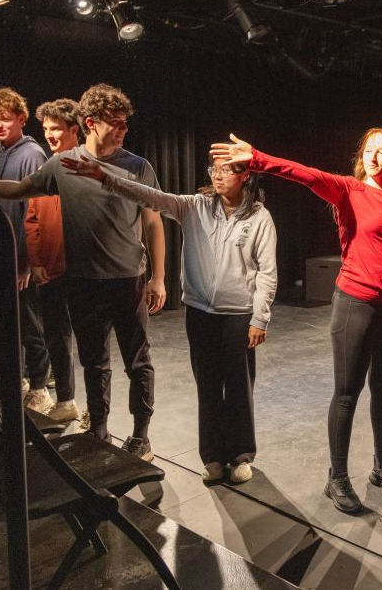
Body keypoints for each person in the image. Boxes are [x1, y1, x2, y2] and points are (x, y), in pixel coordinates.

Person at [0, 83, 167, 461]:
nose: (123, 129)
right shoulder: (62, 165)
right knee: (94, 361)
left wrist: (158, 277)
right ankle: (100, 428)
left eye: (125, 123)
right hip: (84, 281)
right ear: (90, 123)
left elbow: (153, 222)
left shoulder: (138, 166)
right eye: (115, 123)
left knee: (138, 360)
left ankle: (140, 434)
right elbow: (18, 189)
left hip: (129, 280)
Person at [211, 128, 382, 514]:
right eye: (369, 151)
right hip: (355, 307)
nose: (374, 158)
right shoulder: (349, 190)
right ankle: (337, 478)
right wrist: (257, 158)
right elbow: (305, 174)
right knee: (347, 394)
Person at [64, 151, 276, 485]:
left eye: (226, 171)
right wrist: (106, 178)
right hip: (201, 314)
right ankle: (213, 456)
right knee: (207, 386)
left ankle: (241, 455)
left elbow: (267, 272)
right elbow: (150, 196)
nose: (217, 176)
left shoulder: (259, 218)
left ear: (245, 176)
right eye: (214, 170)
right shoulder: (195, 206)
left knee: (238, 387)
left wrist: (259, 318)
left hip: (238, 315)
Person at [0, 88, 50, 393]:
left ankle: (40, 386)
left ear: (21, 119)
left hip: (19, 257)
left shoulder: (32, 154)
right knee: (0, 322)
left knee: (29, 325)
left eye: (4, 119)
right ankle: (9, 379)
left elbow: (37, 211)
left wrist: (28, 261)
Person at [22, 99, 82, 421]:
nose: (50, 135)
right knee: (56, 337)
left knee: (91, 345)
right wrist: (36, 261)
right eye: (45, 129)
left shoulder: (88, 169)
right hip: (52, 271)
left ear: (75, 129)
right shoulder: (44, 171)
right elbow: (31, 219)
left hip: (86, 271)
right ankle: (66, 401)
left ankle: (98, 413)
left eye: (56, 128)